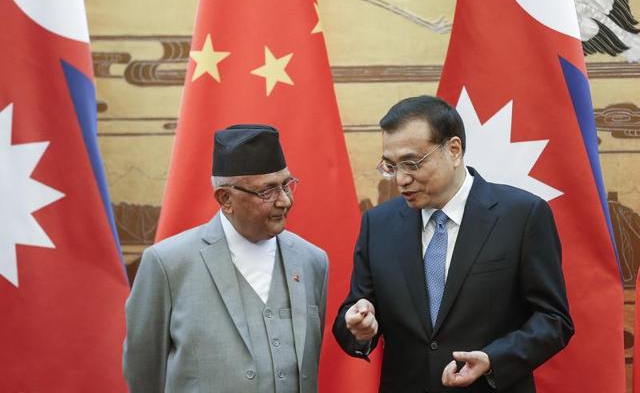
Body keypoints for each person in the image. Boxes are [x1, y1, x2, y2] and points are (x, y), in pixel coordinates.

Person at [333, 96, 573, 393]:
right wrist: (358, 327)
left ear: (454, 150)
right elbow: (355, 311)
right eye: (391, 166)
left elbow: (553, 320)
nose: (401, 179)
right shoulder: (378, 224)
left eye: (411, 163)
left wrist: (493, 359)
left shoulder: (521, 215)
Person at [124, 124, 329, 393]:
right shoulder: (167, 264)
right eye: (267, 191)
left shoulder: (312, 260)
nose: (285, 201)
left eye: (286, 185)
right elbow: (144, 373)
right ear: (225, 199)